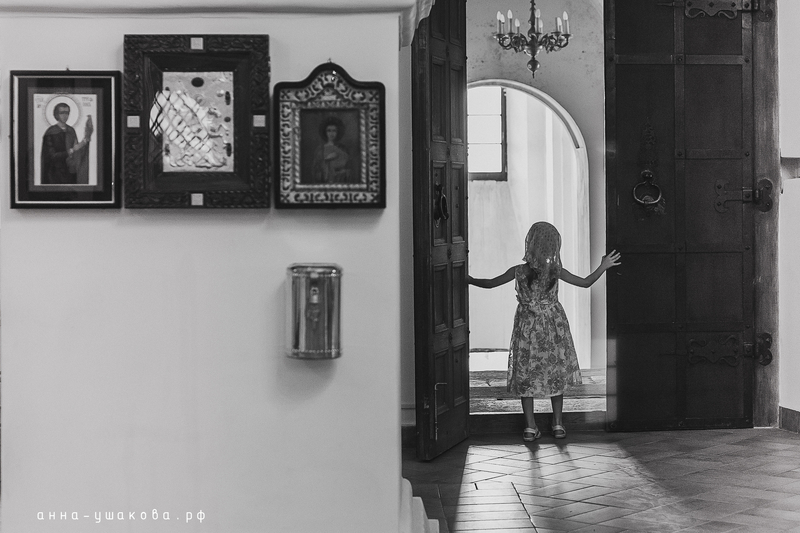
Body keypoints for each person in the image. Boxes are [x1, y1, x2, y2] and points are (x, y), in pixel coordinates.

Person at [468, 221, 621, 441]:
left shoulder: (518, 271)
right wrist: (603, 265)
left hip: (526, 327)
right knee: (555, 371)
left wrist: (469, 280)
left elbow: (491, 283)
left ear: (530, 244)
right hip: (552, 326)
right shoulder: (556, 272)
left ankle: (530, 427)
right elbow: (586, 282)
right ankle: (557, 424)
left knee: (526, 374)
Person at [41, 102, 93, 184]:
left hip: (70, 172)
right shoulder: (50, 132)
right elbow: (51, 156)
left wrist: (86, 138)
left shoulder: (71, 131)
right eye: (62, 113)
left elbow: (76, 151)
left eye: (67, 113)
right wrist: (71, 151)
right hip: (55, 174)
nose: (65, 116)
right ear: (56, 114)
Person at [311, 116, 351, 184]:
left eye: (334, 131)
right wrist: (326, 160)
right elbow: (316, 170)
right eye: (329, 131)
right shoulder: (320, 150)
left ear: (337, 132)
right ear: (325, 132)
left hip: (339, 183)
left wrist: (341, 172)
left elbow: (348, 168)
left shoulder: (342, 148)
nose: (331, 133)